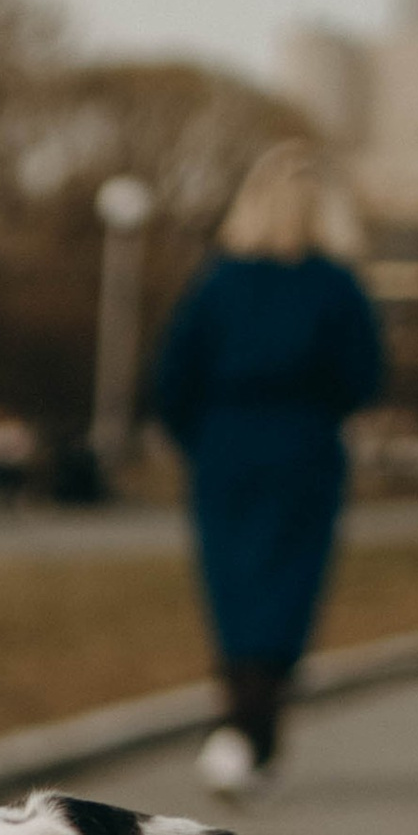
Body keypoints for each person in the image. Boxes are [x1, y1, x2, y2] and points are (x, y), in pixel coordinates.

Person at [150, 141, 385, 798]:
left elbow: (172, 378)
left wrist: (200, 438)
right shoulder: (336, 286)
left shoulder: (217, 282)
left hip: (226, 445)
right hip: (303, 444)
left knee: (234, 586)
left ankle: (246, 731)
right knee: (287, 586)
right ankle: (250, 731)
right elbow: (363, 377)